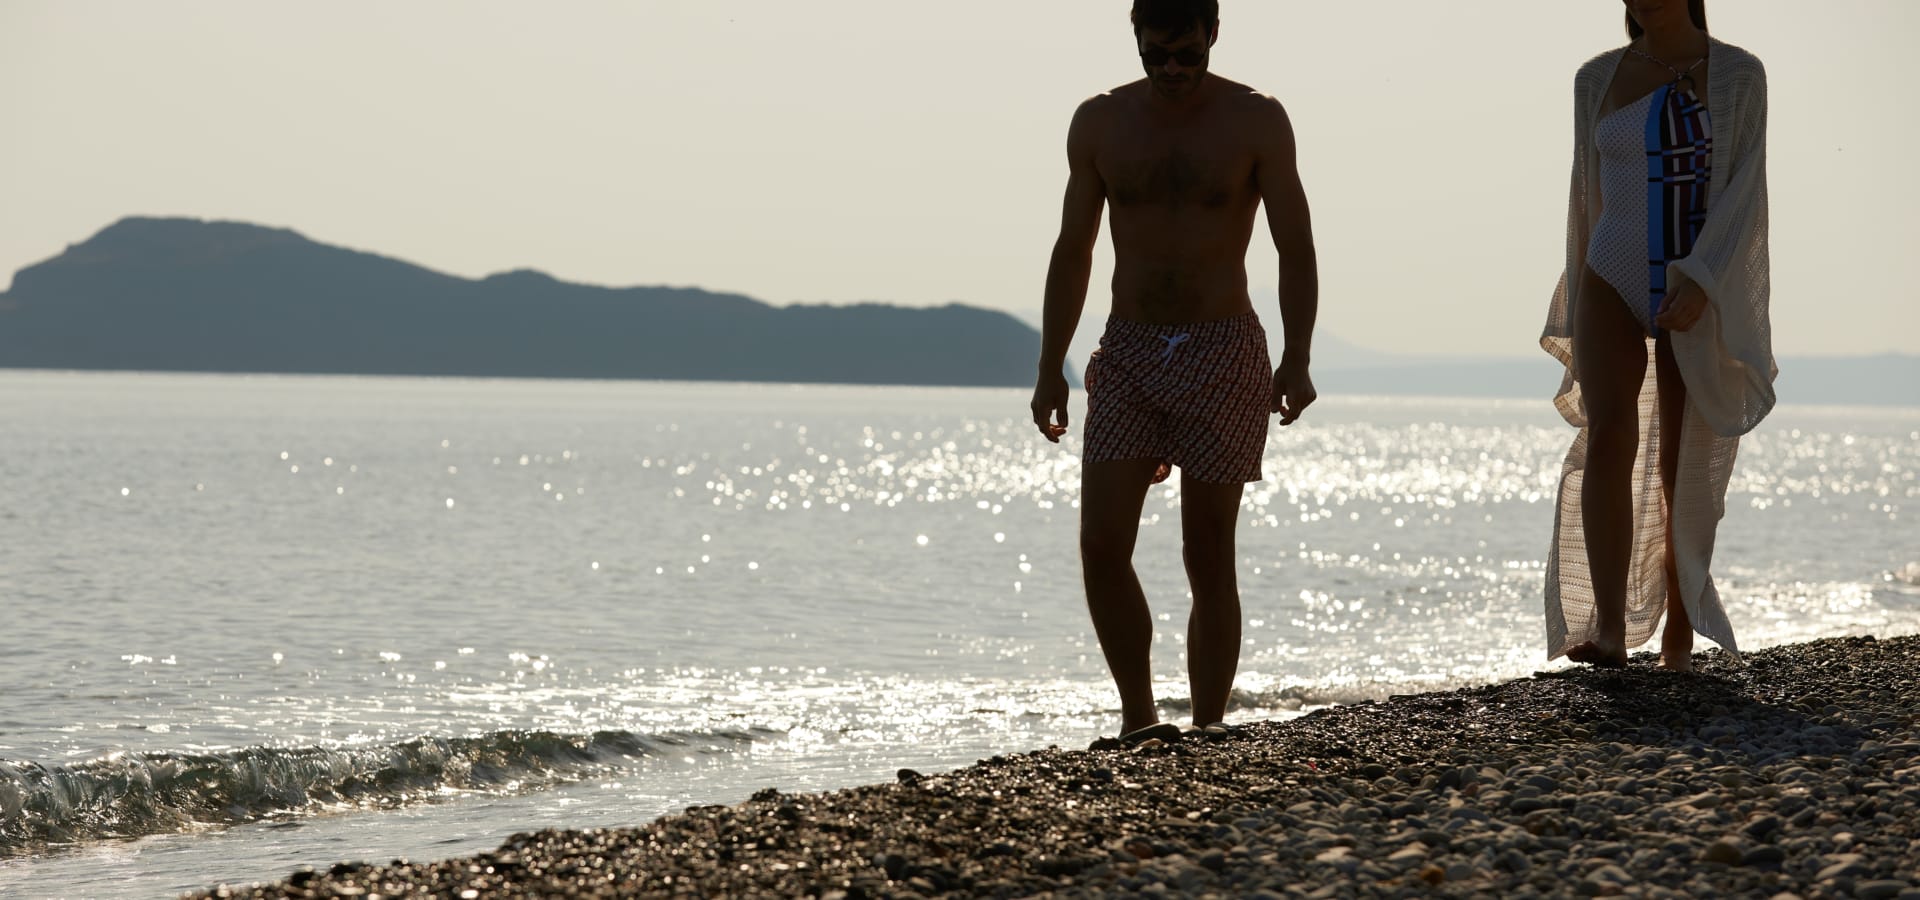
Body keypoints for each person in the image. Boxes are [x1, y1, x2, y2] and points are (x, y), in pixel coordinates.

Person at [1029, 0, 1318, 739]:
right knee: (1101, 544)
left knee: (1207, 550)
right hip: (1127, 349)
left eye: (1186, 53)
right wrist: (1049, 366)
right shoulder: (1099, 122)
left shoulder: (1256, 120)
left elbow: (1295, 246)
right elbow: (1073, 250)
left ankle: (1210, 725)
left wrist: (1297, 355)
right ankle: (1139, 719)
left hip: (1224, 347)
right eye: (1155, 54)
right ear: (1137, 42)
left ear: (1213, 36)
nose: (1172, 70)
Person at [1540, 0, 1775, 670]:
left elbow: (1741, 190)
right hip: (1608, 273)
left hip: (1690, 278)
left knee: (1680, 457)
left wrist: (1703, 280)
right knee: (1610, 436)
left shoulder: (1737, 75)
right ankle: (1609, 627)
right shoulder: (1596, 79)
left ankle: (1678, 621)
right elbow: (1586, 194)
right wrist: (1576, 283)